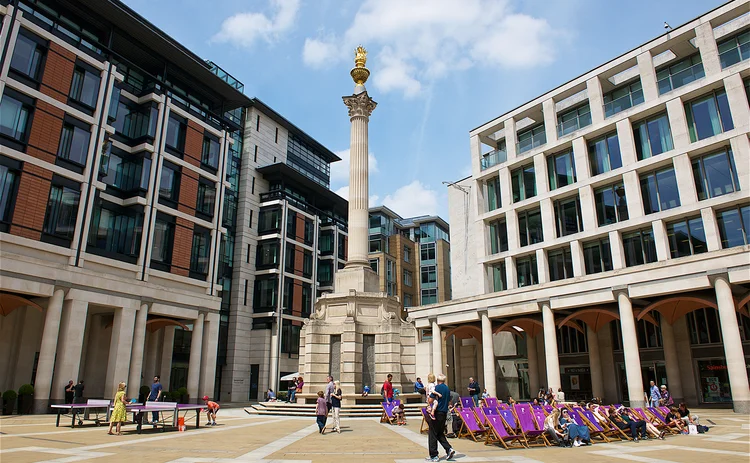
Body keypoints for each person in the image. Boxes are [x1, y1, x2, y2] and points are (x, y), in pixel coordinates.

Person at [425, 374, 455, 462]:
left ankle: (434, 455)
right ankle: (449, 449)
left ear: (438, 381)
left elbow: (430, 400)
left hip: (437, 412)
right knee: (440, 433)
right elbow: (450, 401)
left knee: (433, 434)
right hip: (444, 413)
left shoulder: (437, 388)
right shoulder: (447, 388)